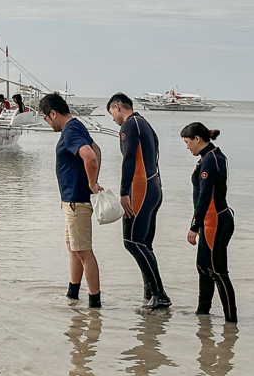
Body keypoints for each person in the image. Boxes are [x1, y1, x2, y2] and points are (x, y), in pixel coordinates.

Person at [107, 93, 171, 309]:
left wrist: (124, 192)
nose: (113, 119)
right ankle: (149, 292)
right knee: (144, 243)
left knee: (132, 242)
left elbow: (129, 160)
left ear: (117, 107)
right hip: (154, 188)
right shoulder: (145, 124)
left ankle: (159, 294)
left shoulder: (129, 125)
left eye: (112, 114)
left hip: (140, 188)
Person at [41, 93, 102, 308]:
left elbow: (90, 156)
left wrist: (92, 184)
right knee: (73, 247)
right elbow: (96, 150)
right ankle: (73, 293)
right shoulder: (77, 125)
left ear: (53, 113)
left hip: (76, 200)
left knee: (83, 250)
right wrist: (92, 182)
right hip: (72, 199)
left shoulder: (70, 130)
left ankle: (95, 303)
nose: (49, 124)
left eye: (47, 119)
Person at [183, 123, 237, 323]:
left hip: (215, 220)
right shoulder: (211, 156)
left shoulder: (211, 160)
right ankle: (202, 313)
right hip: (211, 220)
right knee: (203, 267)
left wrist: (194, 226)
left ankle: (231, 322)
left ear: (198, 139)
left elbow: (205, 196)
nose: (187, 147)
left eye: (187, 142)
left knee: (218, 271)